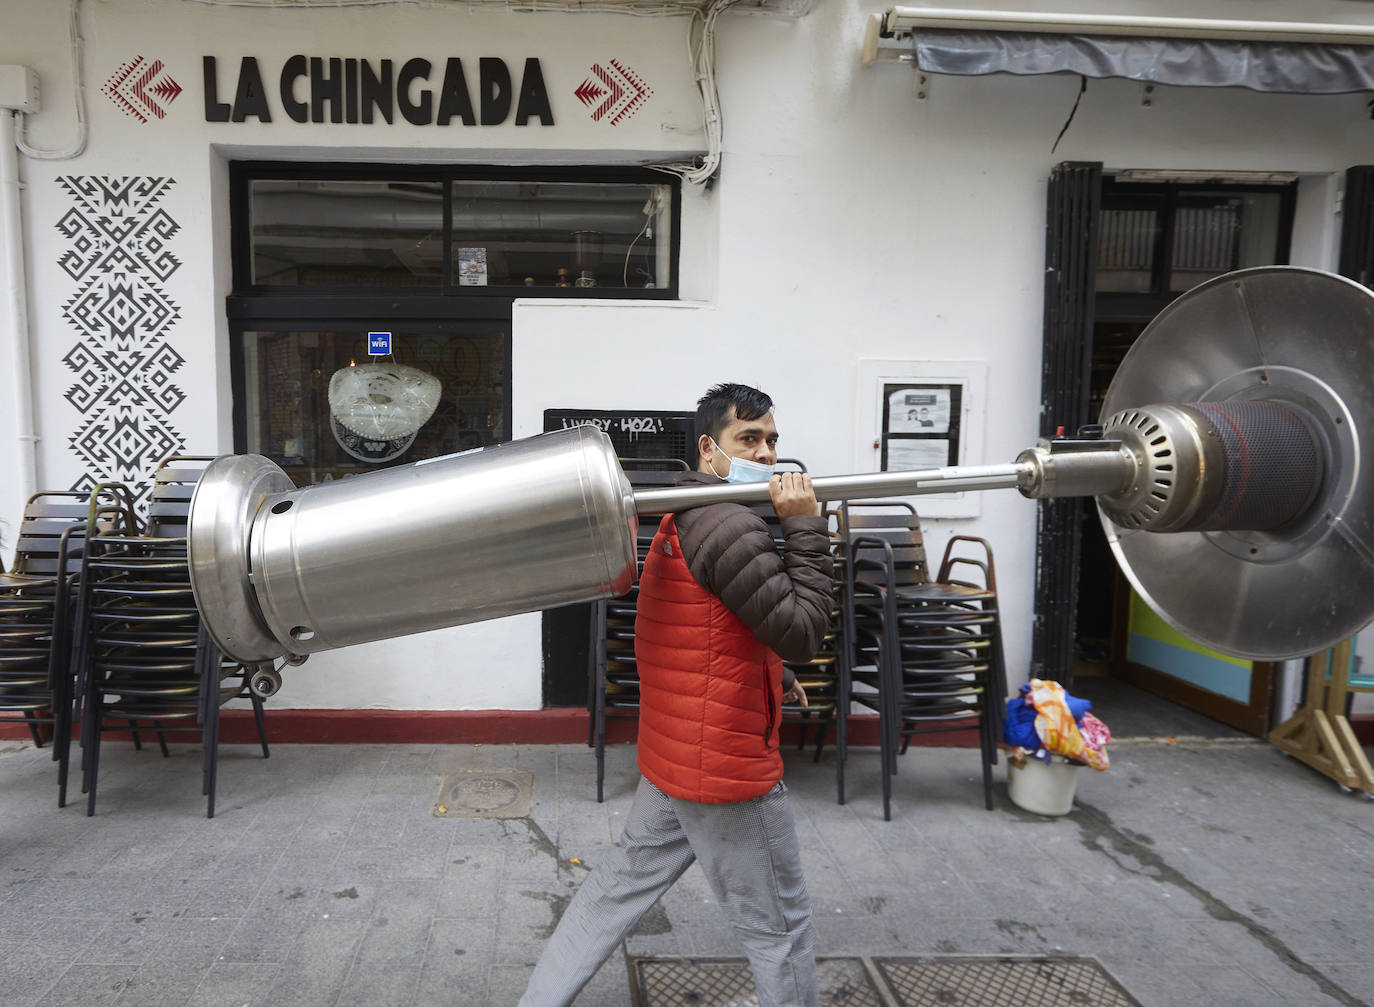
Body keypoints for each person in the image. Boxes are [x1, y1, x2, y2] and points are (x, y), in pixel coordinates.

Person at [519, 382, 834, 1007]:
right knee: (780, 931)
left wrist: (774, 674)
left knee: (615, 891)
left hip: (675, 756)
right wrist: (804, 528)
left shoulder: (682, 515)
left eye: (772, 440)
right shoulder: (731, 525)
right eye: (750, 438)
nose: (768, 454)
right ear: (709, 450)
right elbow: (802, 631)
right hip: (725, 770)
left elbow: (711, 630)